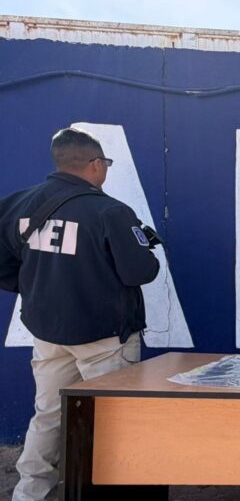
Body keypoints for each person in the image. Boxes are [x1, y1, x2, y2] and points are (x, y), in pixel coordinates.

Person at [0, 127, 160, 501]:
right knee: (111, 421)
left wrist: (33, 287)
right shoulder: (110, 211)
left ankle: (29, 493)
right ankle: (107, 491)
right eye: (104, 162)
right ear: (95, 164)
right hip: (103, 339)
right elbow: (140, 272)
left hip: (48, 333)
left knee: (48, 415)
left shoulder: (18, 204)